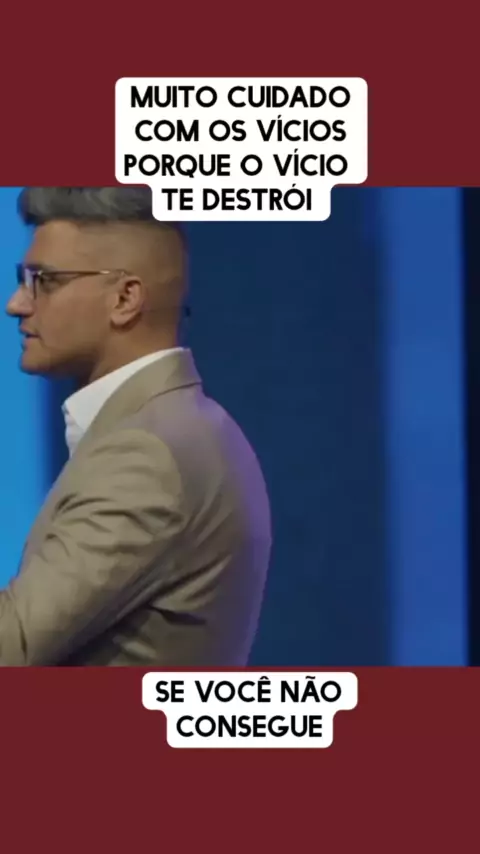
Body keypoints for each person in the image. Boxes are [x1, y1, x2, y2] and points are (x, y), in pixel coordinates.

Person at [1, 187, 271, 666]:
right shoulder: (184, 429)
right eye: (23, 280)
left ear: (125, 299)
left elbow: (12, 646)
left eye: (44, 281)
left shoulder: (145, 454)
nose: (17, 304)